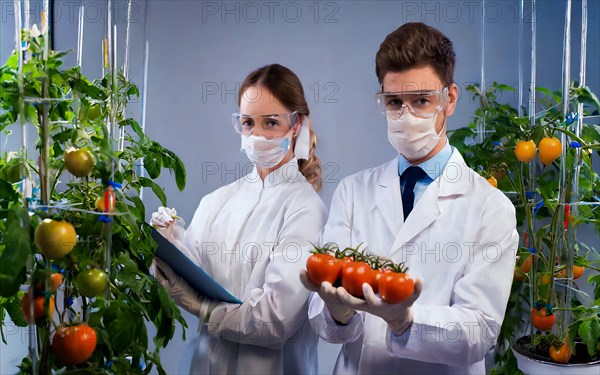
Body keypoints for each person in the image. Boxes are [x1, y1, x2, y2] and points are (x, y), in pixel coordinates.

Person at [300, 22, 519, 374]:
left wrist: (407, 321)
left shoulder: (490, 208)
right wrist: (336, 313)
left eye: (421, 100)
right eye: (393, 102)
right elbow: (325, 323)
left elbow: (480, 331)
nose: (405, 116)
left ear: (449, 98)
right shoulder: (354, 192)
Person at [152, 64, 327, 374]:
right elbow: (192, 275)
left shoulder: (306, 208)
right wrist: (170, 242)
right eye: (248, 123)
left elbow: (275, 321)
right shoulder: (216, 202)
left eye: (271, 123)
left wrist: (202, 308)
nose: (257, 135)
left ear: (297, 125)